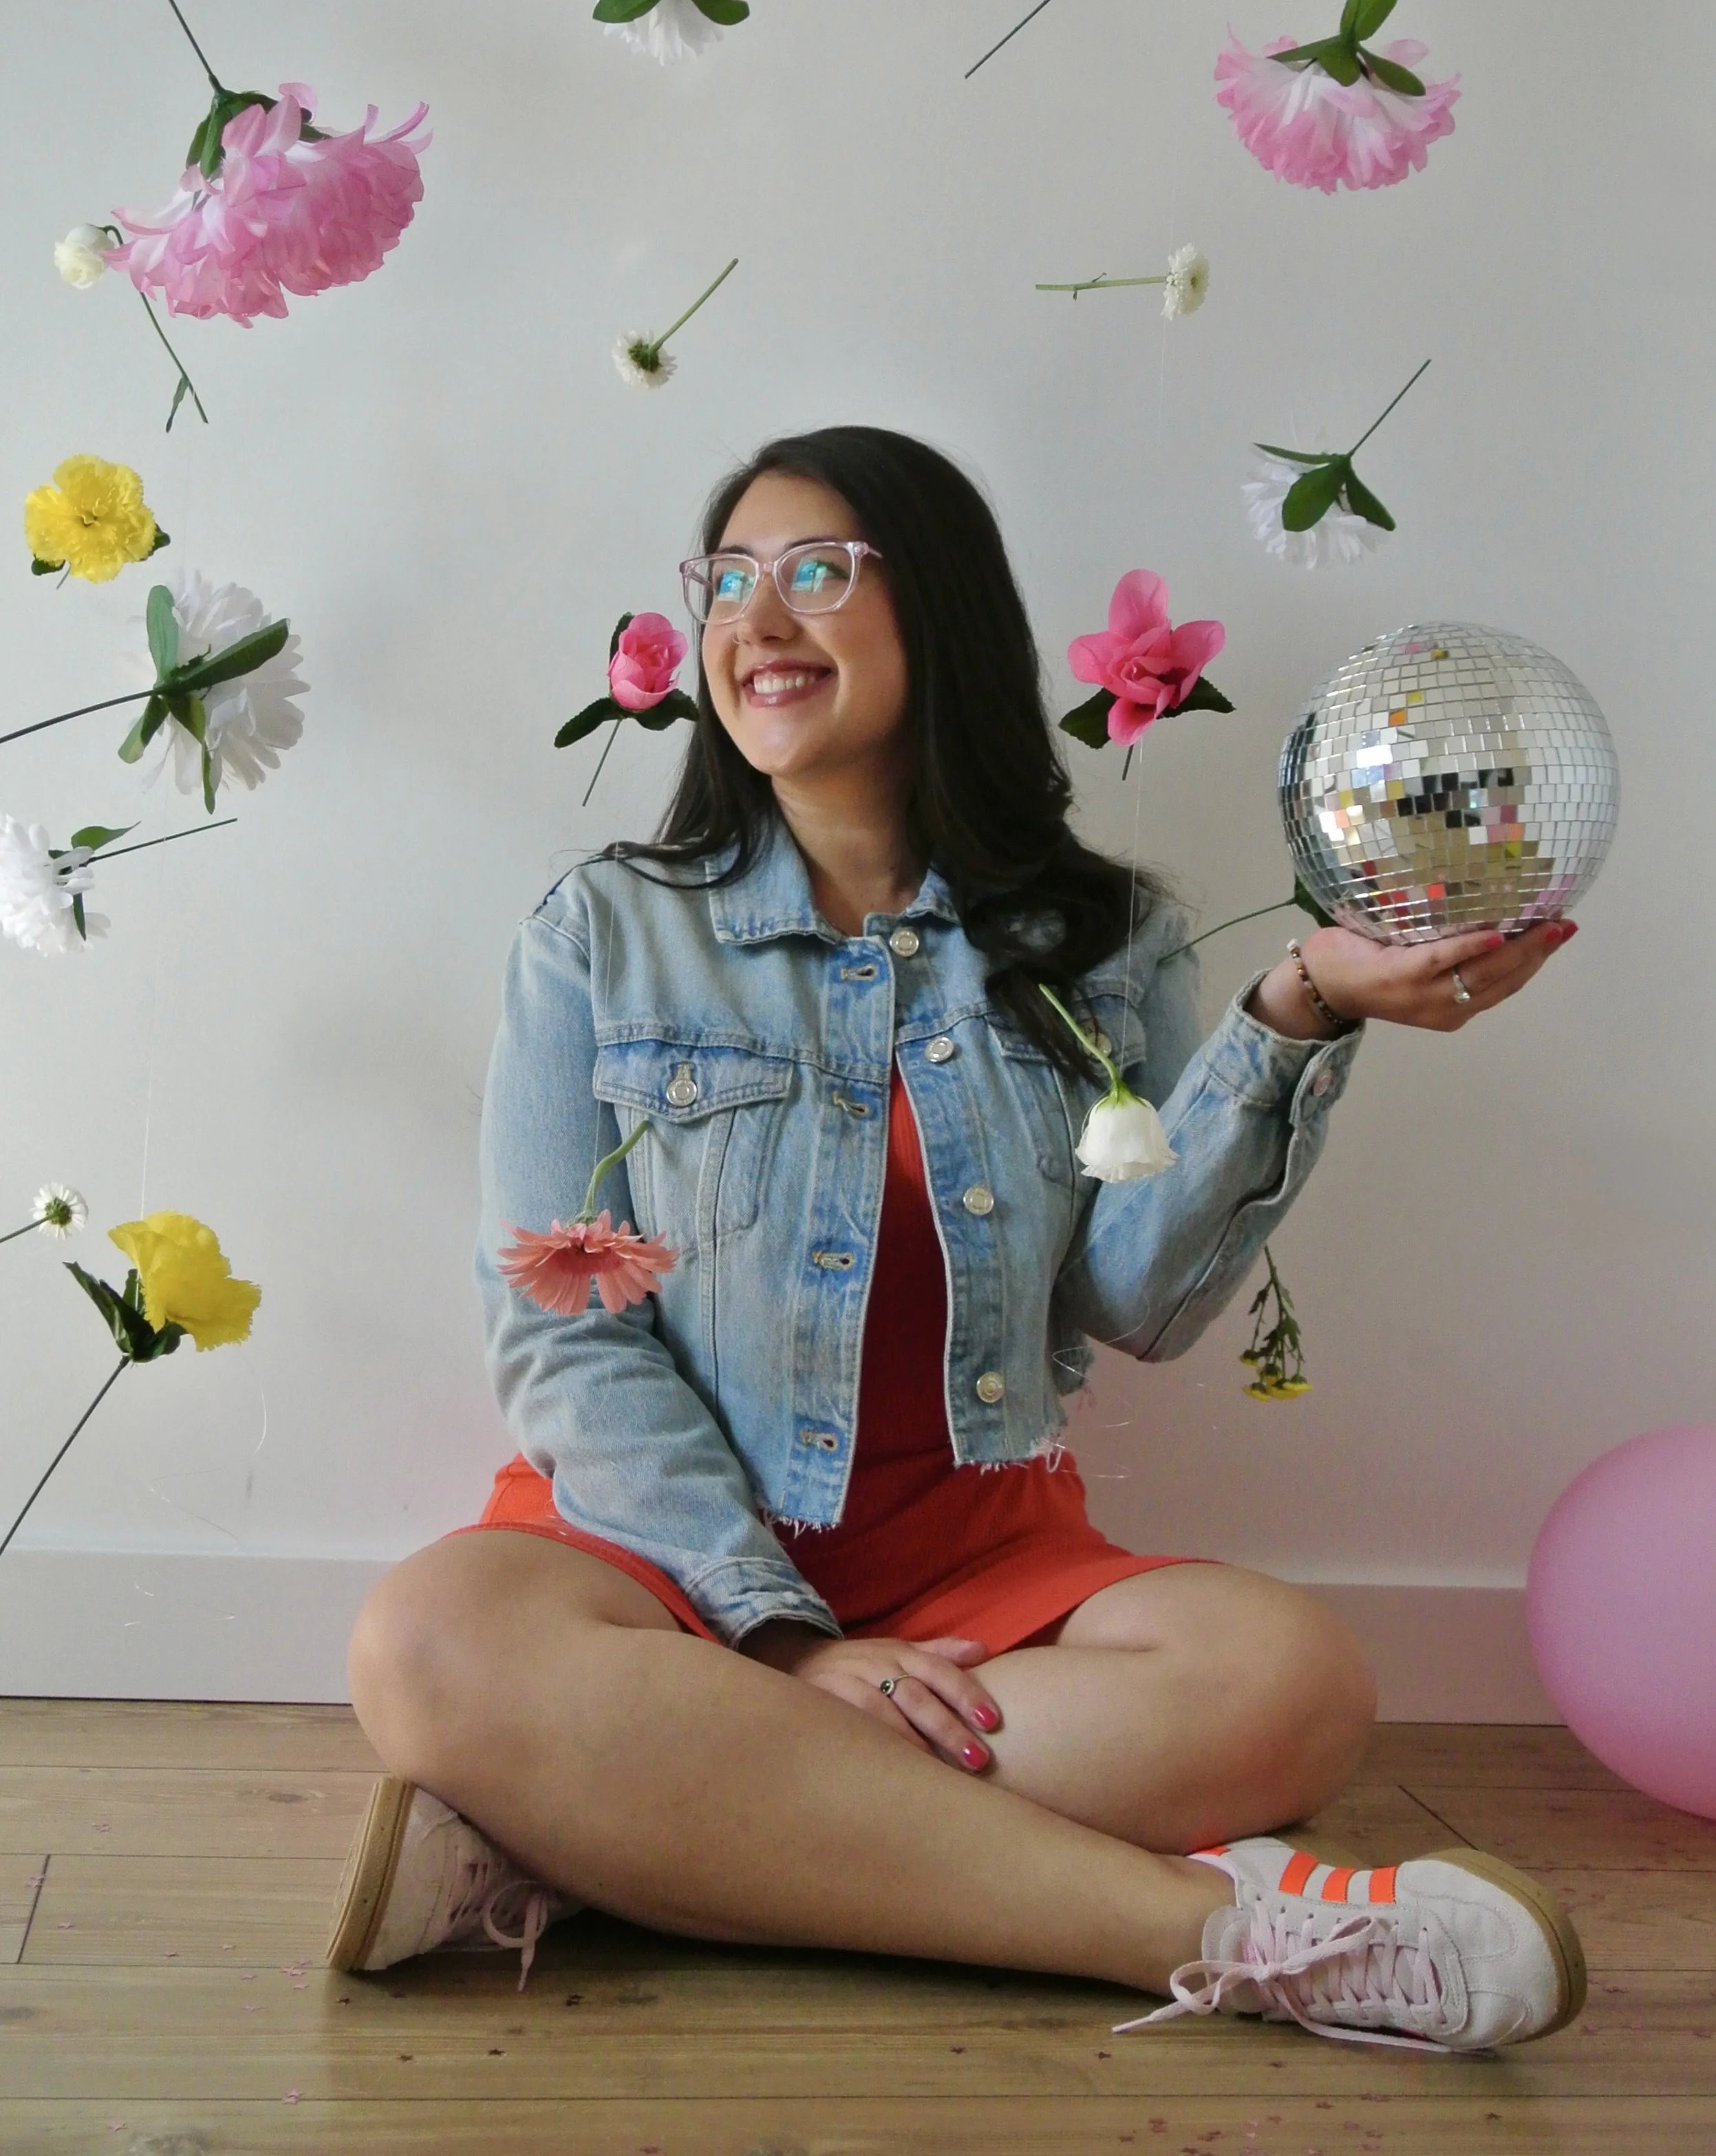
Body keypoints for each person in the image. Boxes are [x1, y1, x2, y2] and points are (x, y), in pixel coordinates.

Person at [330, 425, 1585, 2051]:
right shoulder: (602, 933)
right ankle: (1242, 1938)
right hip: (654, 1559)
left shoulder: (1104, 937)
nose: (753, 622)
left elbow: (1132, 1300)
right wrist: (776, 1638)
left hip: (974, 1562)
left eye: (816, 575)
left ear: (939, 616)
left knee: (1290, 1680)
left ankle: (596, 1826)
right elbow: (560, 1330)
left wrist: (1291, 1016)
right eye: (725, 582)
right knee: (429, 1645)